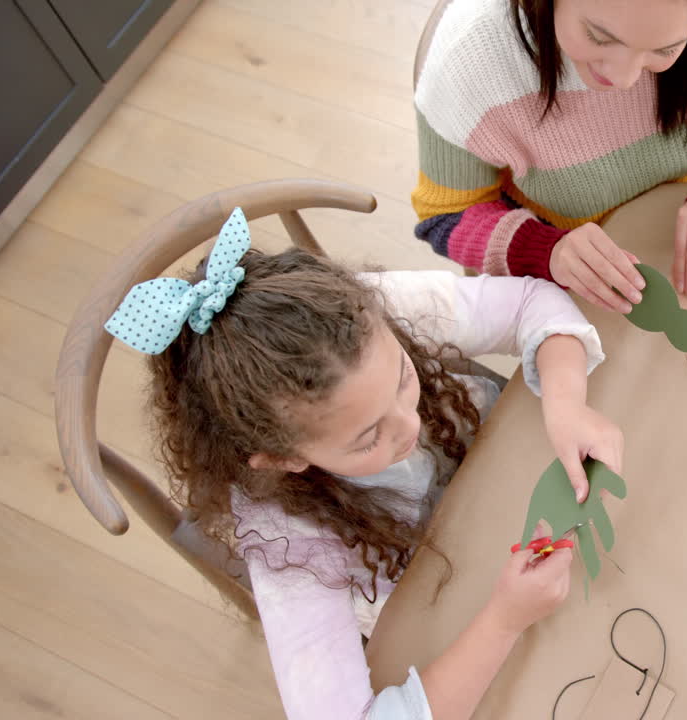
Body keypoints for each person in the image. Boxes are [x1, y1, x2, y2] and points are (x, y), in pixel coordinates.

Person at [106, 208, 623, 719]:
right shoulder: (287, 542)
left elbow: (531, 302)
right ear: (285, 460)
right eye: (368, 436)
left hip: (512, 493)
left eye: (403, 376)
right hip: (451, 607)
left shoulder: (363, 316)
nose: (410, 425)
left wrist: (564, 402)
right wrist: (504, 622)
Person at [413, 0, 687, 310]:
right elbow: (446, 215)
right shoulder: (467, 61)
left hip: (686, 227)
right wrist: (545, 251)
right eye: (598, 36)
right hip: (557, 270)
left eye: (665, 50)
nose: (624, 77)